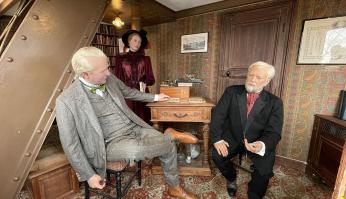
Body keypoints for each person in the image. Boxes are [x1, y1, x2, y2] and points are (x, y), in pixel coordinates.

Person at [56, 46, 199, 199]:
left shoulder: (108, 78)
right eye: (103, 71)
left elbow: (129, 92)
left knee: (168, 145)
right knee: (139, 150)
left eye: (107, 68)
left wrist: (156, 97)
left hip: (133, 125)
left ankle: (174, 187)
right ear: (86, 74)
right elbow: (70, 144)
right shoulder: (66, 101)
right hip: (108, 144)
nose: (108, 73)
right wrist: (89, 175)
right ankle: (170, 135)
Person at [209, 61, 283, 199]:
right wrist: (217, 139)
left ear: (267, 81)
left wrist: (262, 145)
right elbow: (217, 116)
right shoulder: (231, 92)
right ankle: (231, 177)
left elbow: (274, 132)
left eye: (258, 77)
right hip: (233, 136)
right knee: (216, 155)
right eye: (250, 75)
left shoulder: (275, 102)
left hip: (258, 141)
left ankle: (254, 193)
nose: (252, 80)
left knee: (264, 173)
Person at [113, 29, 154, 124]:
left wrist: (145, 82)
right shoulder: (120, 58)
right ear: (129, 41)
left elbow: (151, 79)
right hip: (126, 93)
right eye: (135, 40)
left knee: (144, 120)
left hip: (142, 93)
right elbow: (117, 78)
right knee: (128, 120)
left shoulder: (146, 59)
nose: (137, 43)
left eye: (139, 42)